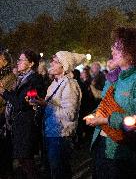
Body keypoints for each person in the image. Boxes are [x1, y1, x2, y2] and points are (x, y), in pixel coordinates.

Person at [84, 27, 136, 179]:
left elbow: (133, 120)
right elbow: (104, 103)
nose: (112, 50)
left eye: (118, 47)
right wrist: (95, 115)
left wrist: (106, 120)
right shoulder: (116, 77)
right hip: (101, 144)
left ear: (131, 51)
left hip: (121, 152)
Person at [31, 51, 86, 179]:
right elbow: (52, 107)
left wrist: (46, 104)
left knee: (59, 172)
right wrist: (37, 103)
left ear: (64, 66)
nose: (51, 63)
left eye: (55, 61)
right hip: (50, 132)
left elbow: (70, 114)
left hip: (61, 135)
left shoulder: (70, 84)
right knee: (52, 171)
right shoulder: (55, 83)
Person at [0, 49, 45, 179]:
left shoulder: (34, 79)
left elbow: (22, 103)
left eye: (21, 60)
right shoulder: (22, 78)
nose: (18, 62)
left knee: (26, 161)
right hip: (19, 124)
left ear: (31, 63)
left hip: (26, 125)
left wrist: (3, 92)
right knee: (22, 160)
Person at [0, 50, 15, 179]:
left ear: (4, 61)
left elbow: (5, 98)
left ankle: (8, 171)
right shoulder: (2, 75)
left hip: (4, 116)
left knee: (5, 146)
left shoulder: (9, 77)